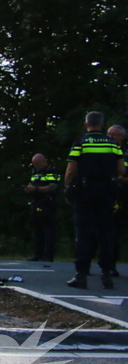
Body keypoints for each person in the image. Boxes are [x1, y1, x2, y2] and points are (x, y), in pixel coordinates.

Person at [64, 111, 125, 289]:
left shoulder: (80, 142)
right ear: (102, 125)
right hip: (107, 192)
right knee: (105, 233)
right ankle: (107, 275)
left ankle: (81, 275)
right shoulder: (113, 143)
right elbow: (121, 170)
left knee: (83, 234)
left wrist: (67, 188)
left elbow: (71, 170)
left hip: (85, 191)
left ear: (86, 125)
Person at [25, 153, 59, 263]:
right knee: (37, 230)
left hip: (47, 203)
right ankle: (37, 254)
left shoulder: (51, 171)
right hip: (36, 202)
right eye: (34, 164)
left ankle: (48, 256)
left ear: (44, 161)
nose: (36, 166)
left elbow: (52, 187)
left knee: (48, 230)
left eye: (37, 164)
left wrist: (35, 189)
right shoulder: (35, 172)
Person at [108, 125, 128, 266]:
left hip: (125, 193)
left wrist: (124, 180)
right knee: (110, 230)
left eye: (114, 134)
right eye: (109, 134)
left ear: (122, 137)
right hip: (109, 194)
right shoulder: (104, 152)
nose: (110, 137)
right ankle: (109, 264)